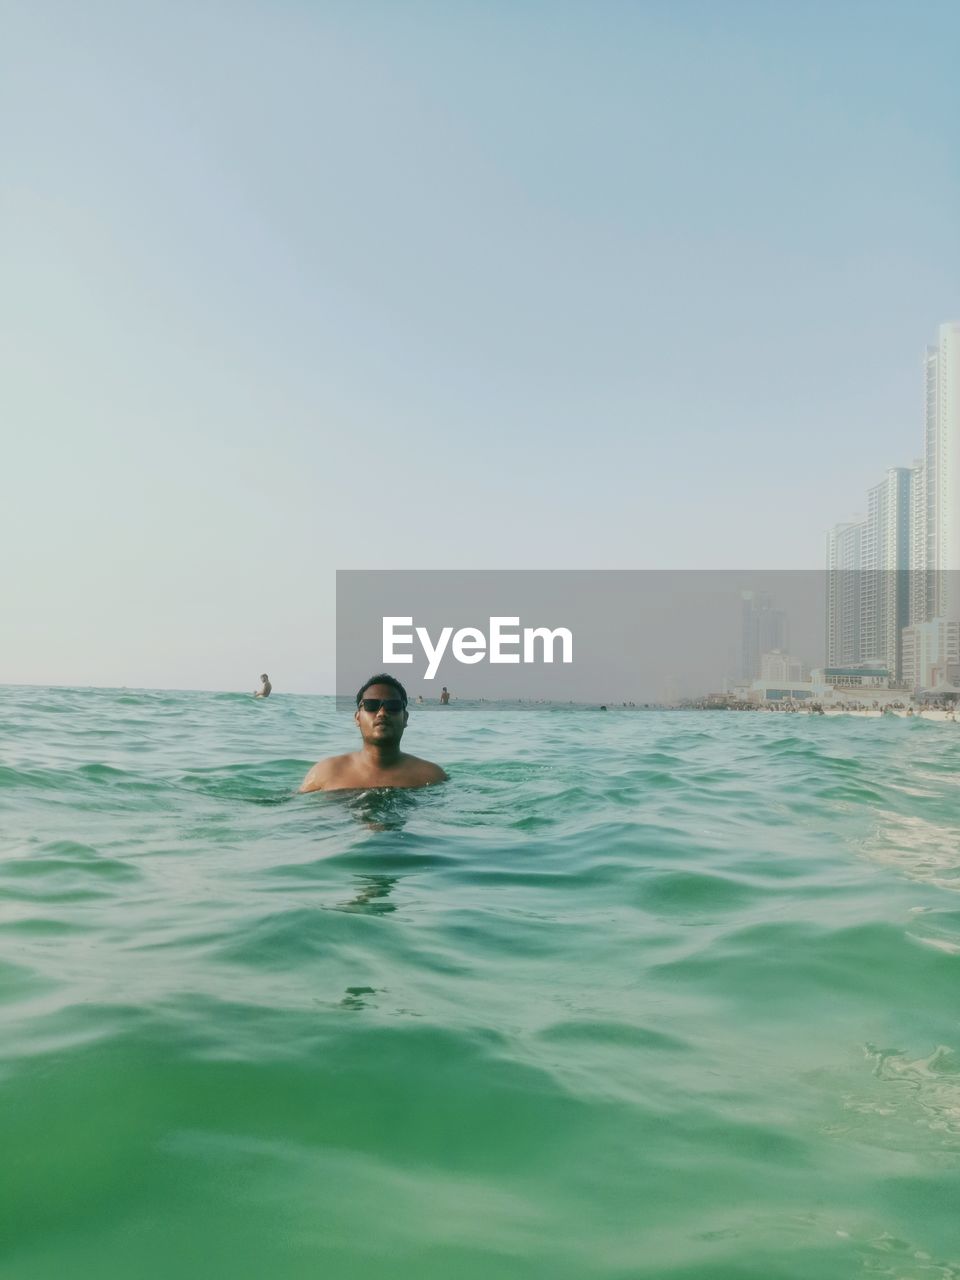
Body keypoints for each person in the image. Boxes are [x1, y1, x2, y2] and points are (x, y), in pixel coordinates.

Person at [299, 673, 448, 793]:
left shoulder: (431, 776)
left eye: (393, 706)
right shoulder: (325, 773)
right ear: (357, 718)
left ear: (405, 718)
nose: (382, 713)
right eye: (371, 705)